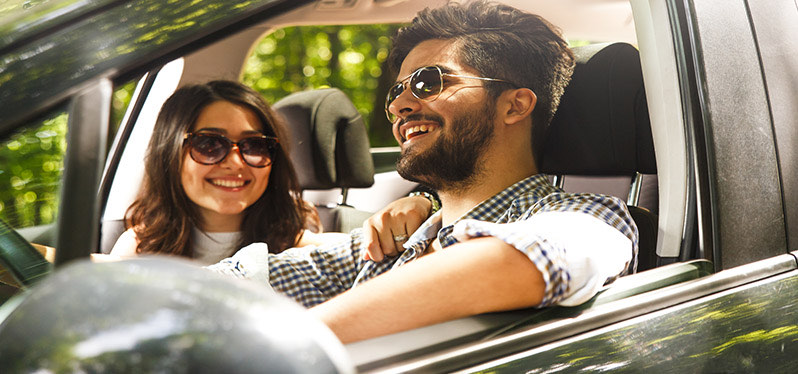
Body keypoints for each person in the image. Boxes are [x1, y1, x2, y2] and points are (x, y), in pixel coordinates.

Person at [208, 0, 638, 343]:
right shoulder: (390, 242)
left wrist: (284, 344)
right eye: (398, 90)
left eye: (429, 82)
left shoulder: (592, 216)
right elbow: (233, 283)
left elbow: (534, 257)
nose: (398, 105)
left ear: (515, 105)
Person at [110, 80, 434, 265]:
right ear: (170, 153)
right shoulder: (137, 250)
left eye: (255, 146)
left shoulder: (301, 245)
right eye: (209, 144)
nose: (236, 162)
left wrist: (423, 203)